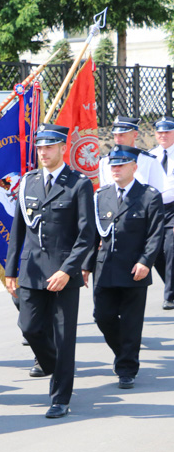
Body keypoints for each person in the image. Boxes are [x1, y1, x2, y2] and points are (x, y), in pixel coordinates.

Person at [4, 123, 95, 418]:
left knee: (63, 336)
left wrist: (69, 270)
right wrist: (10, 269)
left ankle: (60, 397)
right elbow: (17, 228)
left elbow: (86, 236)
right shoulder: (28, 182)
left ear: (62, 148)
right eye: (40, 148)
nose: (43, 152)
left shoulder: (78, 184)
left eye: (49, 147)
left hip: (62, 274)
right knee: (28, 327)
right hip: (31, 270)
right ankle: (57, 367)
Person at [83, 145, 164, 389]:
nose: (115, 169)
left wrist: (145, 262)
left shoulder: (149, 195)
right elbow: (93, 235)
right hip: (105, 268)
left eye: (121, 165)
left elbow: (155, 234)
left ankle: (127, 368)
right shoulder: (101, 195)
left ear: (134, 167)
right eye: (113, 165)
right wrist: (86, 266)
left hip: (134, 269)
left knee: (131, 321)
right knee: (102, 316)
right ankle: (124, 352)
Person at [97, 116, 166, 191]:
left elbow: (159, 193)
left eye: (122, 135)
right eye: (115, 135)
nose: (117, 139)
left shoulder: (149, 161)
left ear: (135, 135)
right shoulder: (105, 161)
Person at [148, 116, 174, 309]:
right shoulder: (150, 157)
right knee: (155, 251)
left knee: (171, 247)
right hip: (156, 209)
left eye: (167, 131)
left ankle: (170, 296)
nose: (163, 135)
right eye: (160, 132)